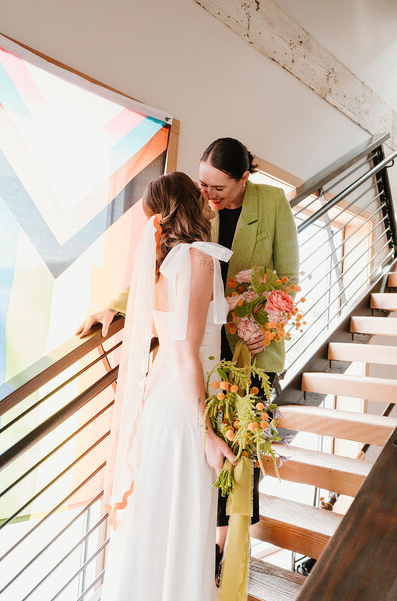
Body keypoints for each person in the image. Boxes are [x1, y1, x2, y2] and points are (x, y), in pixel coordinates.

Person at [78, 138, 299, 582]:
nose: (209, 195)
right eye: (202, 185)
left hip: (245, 355)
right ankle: (194, 561)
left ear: (244, 179)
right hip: (198, 358)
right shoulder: (197, 235)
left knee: (237, 465)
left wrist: (266, 323)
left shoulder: (272, 204)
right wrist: (118, 306)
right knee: (196, 472)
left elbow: (288, 280)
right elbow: (163, 268)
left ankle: (219, 553)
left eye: (219, 187)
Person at [99, 172, 236, 601]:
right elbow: (185, 350)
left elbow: (181, 327)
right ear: (186, 203)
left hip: (163, 401)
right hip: (184, 408)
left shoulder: (166, 261)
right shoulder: (197, 259)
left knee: (158, 517)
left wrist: (240, 303)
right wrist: (208, 433)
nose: (204, 195)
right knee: (182, 518)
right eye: (197, 190)